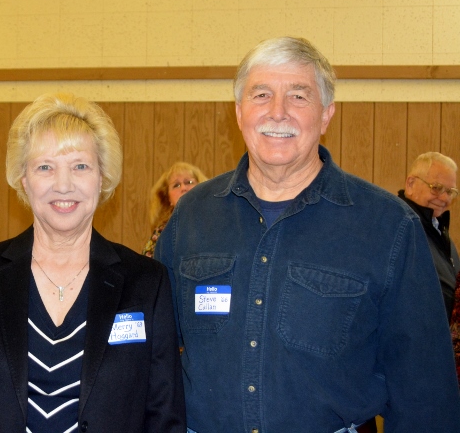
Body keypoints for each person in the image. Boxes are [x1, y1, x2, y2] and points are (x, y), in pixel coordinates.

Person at [155, 37, 460, 432]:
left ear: (326, 115)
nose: (277, 112)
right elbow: (150, 353)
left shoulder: (388, 227)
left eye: (298, 96)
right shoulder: (192, 216)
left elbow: (425, 391)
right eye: (261, 94)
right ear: (238, 111)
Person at [0, 93, 185, 432]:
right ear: (24, 179)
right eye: (45, 167)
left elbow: (164, 418)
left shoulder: (146, 283)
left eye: (80, 166)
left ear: (102, 177)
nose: (63, 185)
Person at [399, 152, 460, 320]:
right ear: (411, 184)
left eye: (450, 191)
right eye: (437, 188)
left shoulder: (439, 229)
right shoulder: (398, 226)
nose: (444, 198)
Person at [142, 162, 208, 257]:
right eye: (176, 185)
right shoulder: (162, 233)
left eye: (188, 182)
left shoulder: (214, 224)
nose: (183, 188)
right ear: (168, 198)